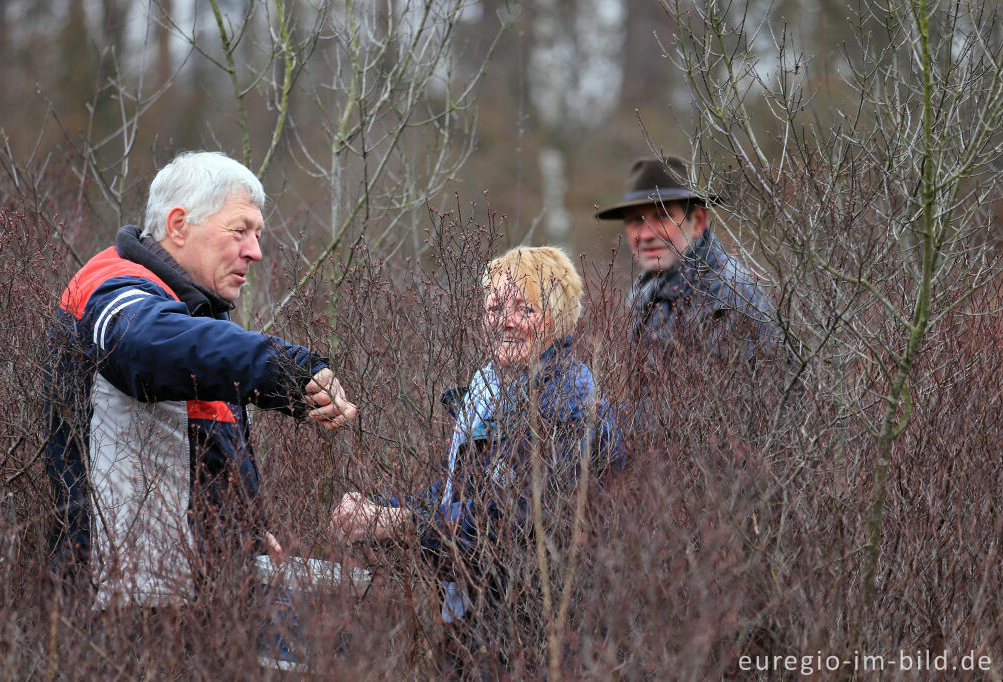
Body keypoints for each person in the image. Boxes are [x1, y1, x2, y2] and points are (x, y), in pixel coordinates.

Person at [44, 151, 357, 608]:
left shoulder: (198, 317)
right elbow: (148, 348)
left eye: (258, 234)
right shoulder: (110, 288)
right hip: (120, 615)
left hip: (187, 610)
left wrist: (242, 532)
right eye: (239, 231)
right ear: (177, 225)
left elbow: (194, 453)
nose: (255, 250)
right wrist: (287, 368)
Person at [328, 246, 622, 670]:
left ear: (557, 319)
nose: (506, 319)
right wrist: (380, 508)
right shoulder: (492, 390)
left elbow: (513, 524)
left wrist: (401, 523)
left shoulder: (566, 403)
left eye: (526, 308)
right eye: (496, 306)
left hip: (544, 636)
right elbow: (464, 492)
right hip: (487, 622)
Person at [596, 156, 778, 359]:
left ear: (698, 221)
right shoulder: (642, 291)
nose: (646, 234)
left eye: (662, 216)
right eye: (635, 220)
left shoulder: (732, 294)